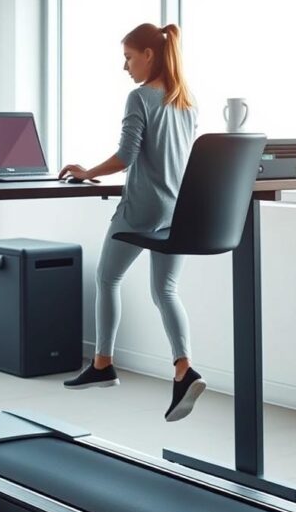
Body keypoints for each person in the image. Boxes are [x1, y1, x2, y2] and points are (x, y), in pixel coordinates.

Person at [59, 22, 204, 422]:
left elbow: (126, 155)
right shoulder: (187, 102)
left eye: (127, 57)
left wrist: (87, 173)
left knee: (108, 278)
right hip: (178, 212)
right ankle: (183, 368)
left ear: (149, 55)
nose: (125, 67)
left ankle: (103, 363)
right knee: (166, 290)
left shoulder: (139, 97)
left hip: (141, 210)